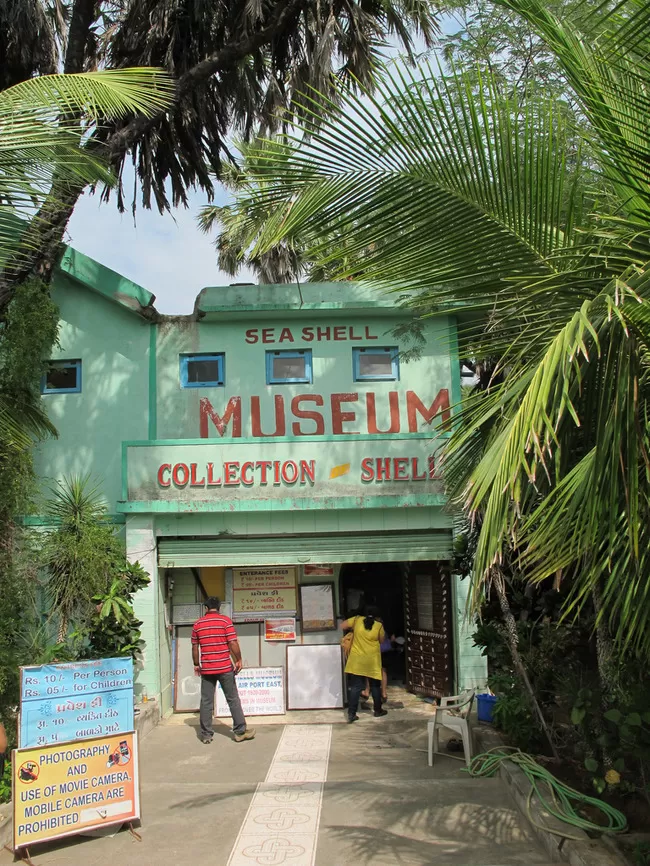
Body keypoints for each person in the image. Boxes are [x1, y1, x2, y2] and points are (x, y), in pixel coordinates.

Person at [191, 596, 255, 744]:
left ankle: (206, 734)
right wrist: (238, 659)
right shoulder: (225, 621)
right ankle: (239, 731)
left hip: (207, 669)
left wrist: (196, 664)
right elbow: (232, 642)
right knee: (232, 698)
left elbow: (195, 647)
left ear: (206, 608)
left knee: (206, 701)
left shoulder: (198, 624)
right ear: (219, 608)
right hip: (225, 667)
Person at [342, 606, 388, 723]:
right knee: (375, 686)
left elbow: (342, 625)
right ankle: (378, 710)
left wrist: (353, 632)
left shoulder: (356, 620)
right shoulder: (379, 626)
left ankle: (351, 714)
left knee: (356, 687)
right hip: (372, 661)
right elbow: (381, 640)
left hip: (357, 660)